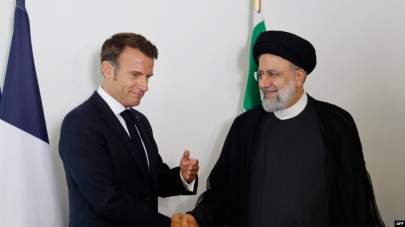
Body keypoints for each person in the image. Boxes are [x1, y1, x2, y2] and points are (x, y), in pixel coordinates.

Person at [171, 31, 385, 227]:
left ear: (299, 77)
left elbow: (354, 199)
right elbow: (224, 193)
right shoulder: (245, 127)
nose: (263, 83)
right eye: (260, 74)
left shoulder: (336, 124)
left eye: (272, 74)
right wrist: (197, 217)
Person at [59, 32, 199, 227]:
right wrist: (169, 225)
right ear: (107, 70)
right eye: (135, 75)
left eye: (148, 77)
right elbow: (107, 202)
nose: (145, 86)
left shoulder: (140, 121)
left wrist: (183, 177)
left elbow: (153, 179)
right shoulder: (79, 124)